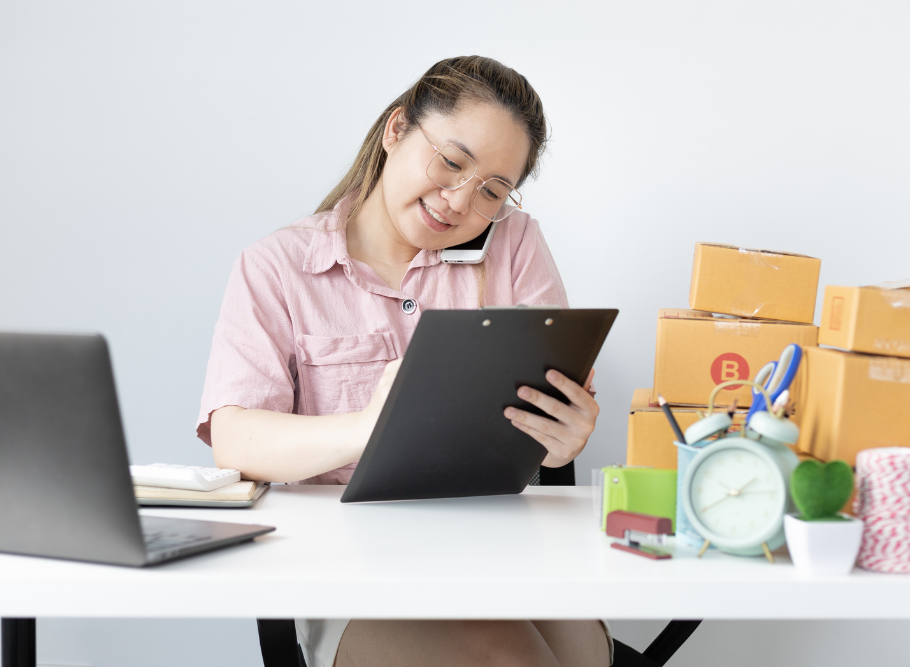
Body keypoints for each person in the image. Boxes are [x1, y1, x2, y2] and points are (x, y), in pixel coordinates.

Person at [197, 55, 612, 667]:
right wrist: (367, 425)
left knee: (585, 655)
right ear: (396, 131)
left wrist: (563, 439)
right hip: (350, 569)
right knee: (501, 655)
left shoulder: (516, 243)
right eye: (451, 162)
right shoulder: (276, 267)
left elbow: (549, 422)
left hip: (500, 547)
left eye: (492, 191)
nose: (458, 202)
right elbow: (233, 438)